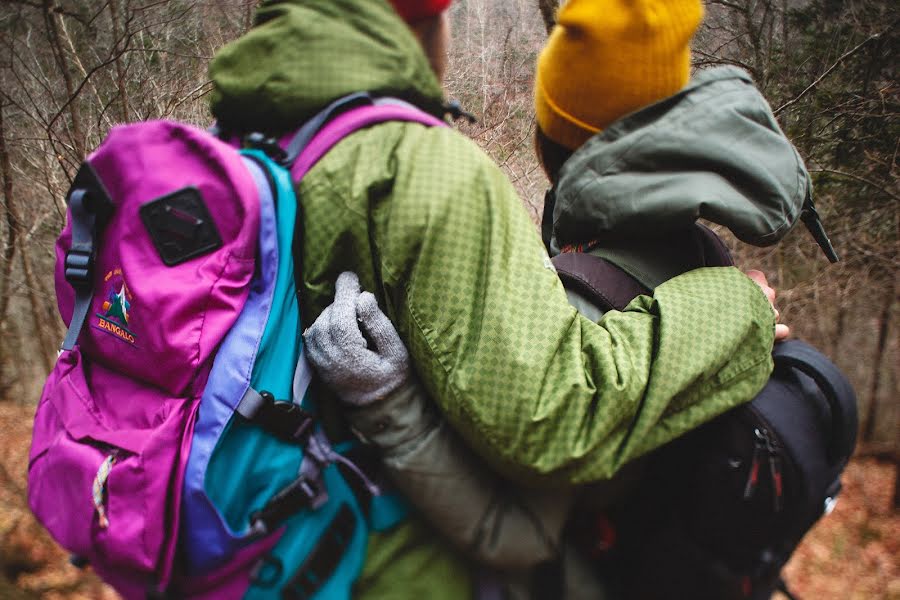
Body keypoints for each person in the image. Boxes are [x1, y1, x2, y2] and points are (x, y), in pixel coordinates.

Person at [208, 0, 782, 597]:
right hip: (386, 569)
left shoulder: (244, 138)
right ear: (429, 16)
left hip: (249, 541)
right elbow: (552, 421)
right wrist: (738, 306)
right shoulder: (423, 172)